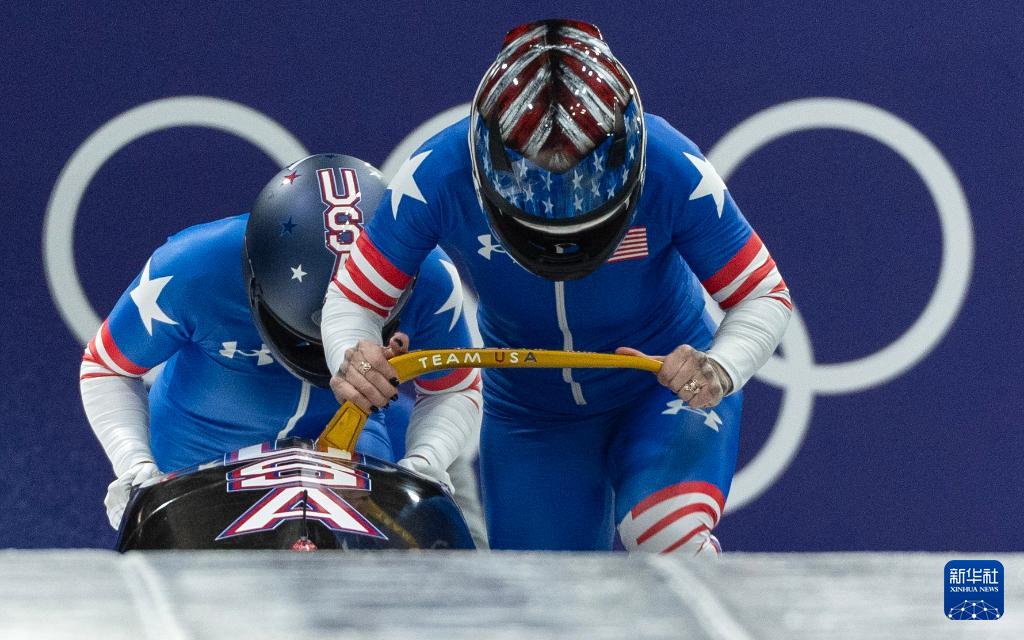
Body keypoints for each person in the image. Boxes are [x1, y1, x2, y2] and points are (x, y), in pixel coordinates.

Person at [321, 20, 792, 555]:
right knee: (546, 596)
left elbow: (763, 294)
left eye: (583, 191)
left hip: (660, 391)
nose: (561, 218)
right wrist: (353, 354)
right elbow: (355, 300)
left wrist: (719, 367)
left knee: (668, 535)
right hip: (533, 417)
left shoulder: (672, 165)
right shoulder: (436, 174)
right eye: (537, 188)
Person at [80, 154, 485, 545]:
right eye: (304, 337)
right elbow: (107, 366)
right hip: (194, 468)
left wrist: (424, 463)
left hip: (348, 457)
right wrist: (135, 466)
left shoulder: (428, 274)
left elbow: (452, 386)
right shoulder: (191, 266)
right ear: (255, 282)